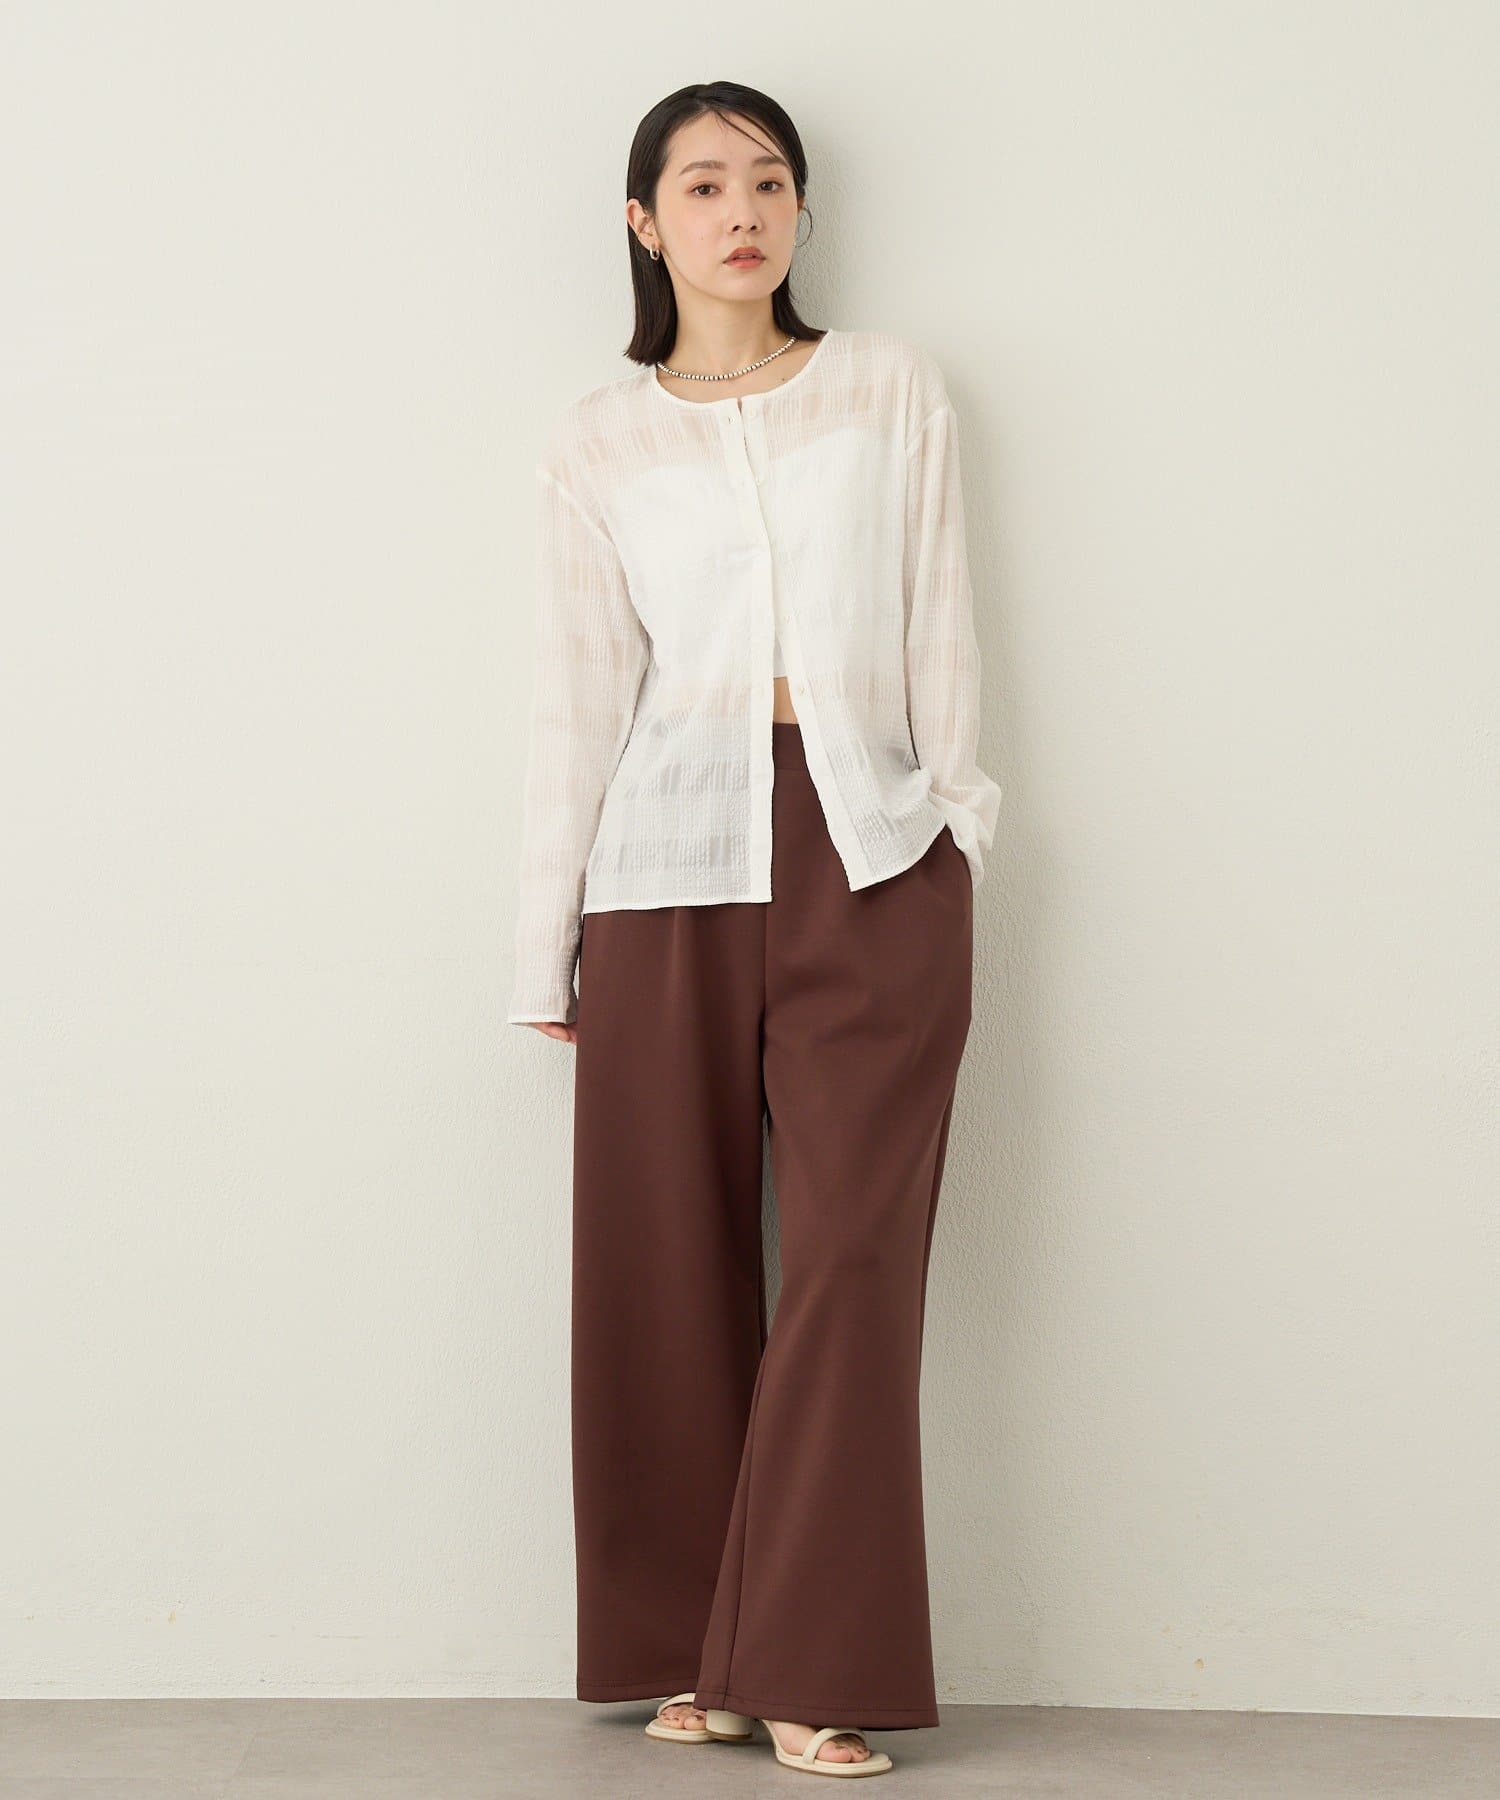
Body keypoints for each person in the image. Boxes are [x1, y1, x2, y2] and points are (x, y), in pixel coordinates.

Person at [507, 80, 1003, 1780]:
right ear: (645, 223)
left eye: (771, 182)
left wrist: (955, 829)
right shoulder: (598, 440)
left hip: (872, 844)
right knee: (661, 1257)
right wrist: (544, 942)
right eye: (706, 185)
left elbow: (943, 618)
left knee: (854, 1263)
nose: (745, 211)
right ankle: (680, 1650)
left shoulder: (885, 388)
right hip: (666, 861)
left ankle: (803, 1658)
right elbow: (579, 698)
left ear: (801, 212)